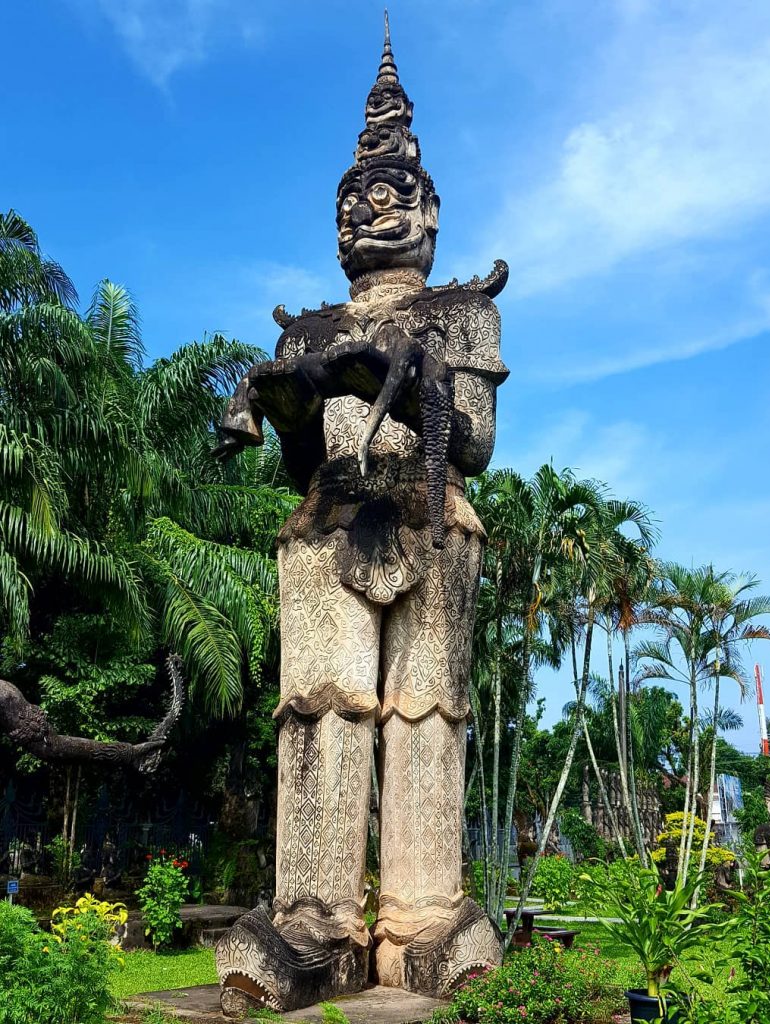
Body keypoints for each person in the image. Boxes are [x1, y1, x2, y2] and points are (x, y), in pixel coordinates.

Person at [213, 17, 508, 1017]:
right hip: (328, 518)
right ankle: (315, 923)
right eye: (353, 201)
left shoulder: (459, 313)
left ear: (429, 210)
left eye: (390, 195)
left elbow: (472, 442)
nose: (369, 210)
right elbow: (300, 460)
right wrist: (294, 403)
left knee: (428, 715)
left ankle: (427, 920)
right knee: (320, 710)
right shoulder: (307, 329)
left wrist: (406, 376)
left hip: (429, 513)